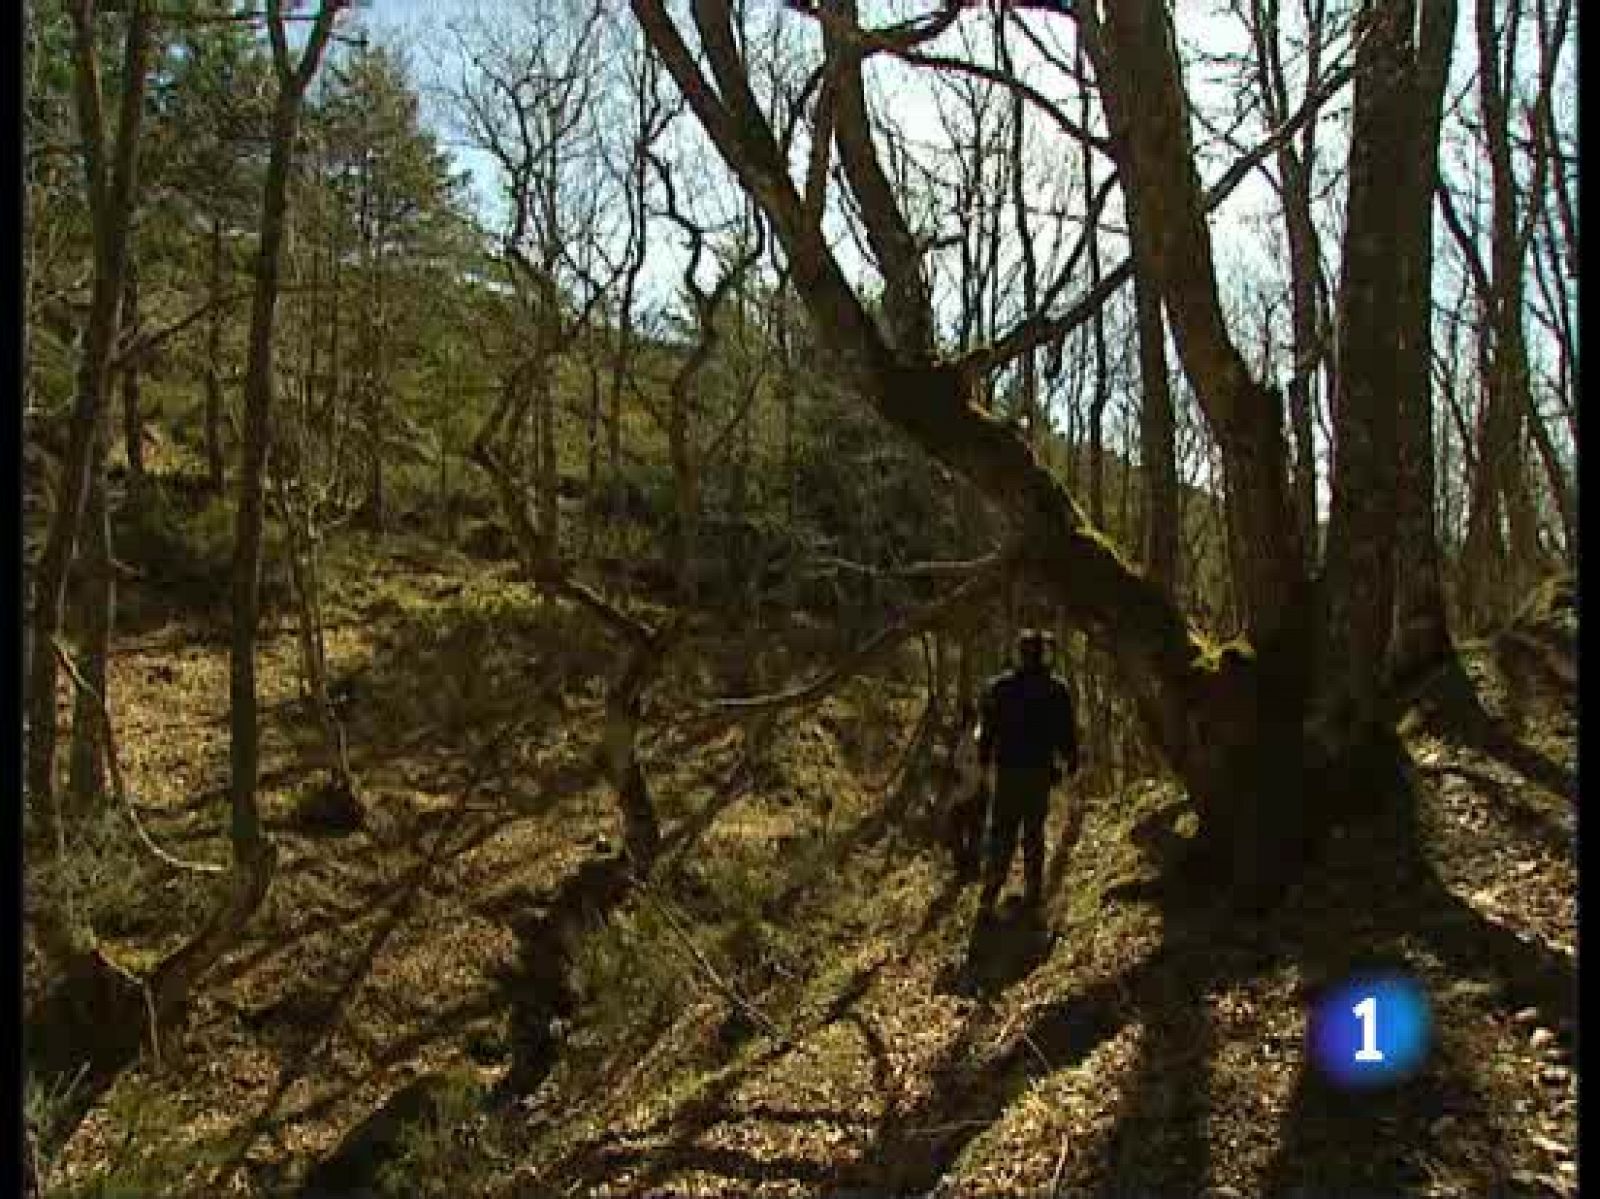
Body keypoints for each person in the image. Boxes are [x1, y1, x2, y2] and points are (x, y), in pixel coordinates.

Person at [976, 629, 1080, 916]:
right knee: (1033, 833)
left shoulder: (1001, 687)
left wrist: (984, 762)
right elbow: (1066, 733)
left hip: (1010, 770)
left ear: (1020, 654)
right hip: (1038, 772)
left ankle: (990, 894)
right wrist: (1071, 763)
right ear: (1041, 653)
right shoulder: (1055, 689)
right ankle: (1032, 895)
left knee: (1002, 833)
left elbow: (988, 730)